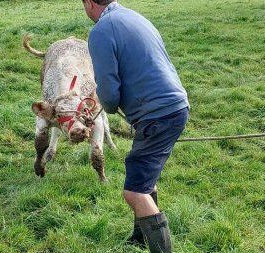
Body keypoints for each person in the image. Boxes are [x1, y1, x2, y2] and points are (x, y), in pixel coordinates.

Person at [81, 0, 189, 252]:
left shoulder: (101, 29)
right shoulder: (134, 17)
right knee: (143, 178)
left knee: (134, 193)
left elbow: (108, 93)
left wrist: (106, 107)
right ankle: (139, 239)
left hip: (157, 115)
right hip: (176, 105)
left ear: (88, 2)